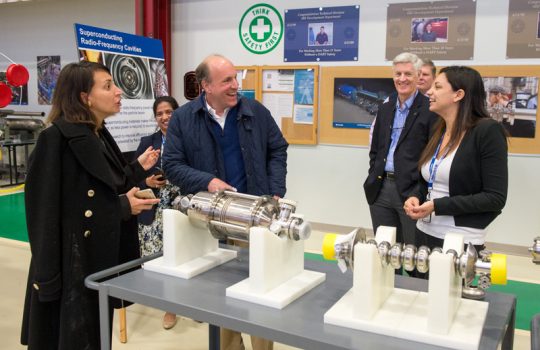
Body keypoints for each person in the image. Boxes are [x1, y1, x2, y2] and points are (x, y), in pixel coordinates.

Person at [20, 61, 160, 349]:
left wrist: (136, 169)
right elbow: (44, 216)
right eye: (108, 86)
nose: (119, 91)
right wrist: (123, 207)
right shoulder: (56, 140)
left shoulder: (96, 133)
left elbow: (105, 183)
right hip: (70, 266)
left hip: (95, 261)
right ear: (85, 97)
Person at [162, 54, 288, 350]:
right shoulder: (184, 118)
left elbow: (278, 149)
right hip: (209, 222)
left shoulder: (255, 111)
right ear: (206, 85)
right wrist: (207, 181)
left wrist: (275, 191)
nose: (236, 86)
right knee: (220, 296)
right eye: (227, 80)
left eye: (235, 78)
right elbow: (172, 164)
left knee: (259, 293)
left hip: (254, 220)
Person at [404, 66, 508, 253]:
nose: (429, 92)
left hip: (459, 239)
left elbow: (495, 198)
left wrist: (437, 205)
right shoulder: (440, 129)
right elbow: (430, 179)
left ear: (458, 95)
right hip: (424, 231)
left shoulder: (487, 132)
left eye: (437, 87)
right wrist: (415, 197)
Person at [364, 52, 438, 253]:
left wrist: (419, 190)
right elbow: (376, 149)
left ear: (417, 77)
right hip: (380, 189)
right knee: (385, 253)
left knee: (413, 254)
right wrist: (373, 173)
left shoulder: (429, 110)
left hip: (411, 193)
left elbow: (432, 156)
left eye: (408, 74)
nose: (402, 79)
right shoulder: (386, 107)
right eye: (398, 74)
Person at [134, 95, 180, 330]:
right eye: (159, 113)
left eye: (169, 112)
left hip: (181, 209)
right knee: (160, 260)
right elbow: (132, 177)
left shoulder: (188, 141)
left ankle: (189, 301)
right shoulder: (148, 142)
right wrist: (147, 181)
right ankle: (169, 307)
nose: (164, 117)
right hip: (154, 213)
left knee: (184, 255)